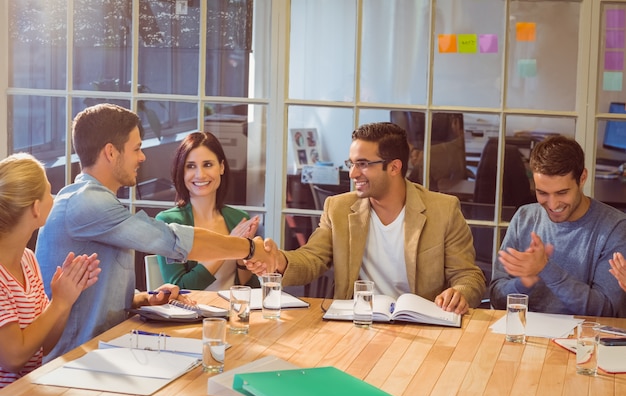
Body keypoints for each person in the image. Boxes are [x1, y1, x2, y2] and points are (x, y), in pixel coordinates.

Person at [35, 104, 275, 361]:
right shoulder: (86, 203)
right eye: (136, 148)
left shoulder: (95, 201)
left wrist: (142, 299)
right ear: (111, 152)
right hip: (75, 360)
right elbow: (173, 240)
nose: (142, 157)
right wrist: (249, 248)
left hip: (106, 351)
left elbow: (97, 296)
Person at [248, 122, 486, 314]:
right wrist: (279, 260)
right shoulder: (338, 208)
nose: (352, 173)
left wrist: (460, 292)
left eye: (362, 164)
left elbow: (468, 275)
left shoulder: (443, 210)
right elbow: (312, 258)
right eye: (351, 164)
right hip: (357, 321)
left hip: (421, 323)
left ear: (394, 167)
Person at [490, 135, 626, 317]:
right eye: (542, 193)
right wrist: (523, 283)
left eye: (562, 192)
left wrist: (546, 269)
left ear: (582, 178)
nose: (553, 205)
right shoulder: (524, 217)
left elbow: (606, 311)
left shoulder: (614, 227)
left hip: (582, 340)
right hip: (525, 334)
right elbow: (496, 299)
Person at [0, 153, 100, 388]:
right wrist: (59, 303)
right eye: (48, 192)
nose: (53, 198)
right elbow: (14, 358)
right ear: (35, 207)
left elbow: (45, 344)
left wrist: (65, 298)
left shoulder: (28, 259)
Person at [155, 132, 259, 290]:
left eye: (208, 165)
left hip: (233, 311)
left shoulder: (239, 218)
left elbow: (249, 287)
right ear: (181, 172)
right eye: (190, 166)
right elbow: (180, 287)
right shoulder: (168, 222)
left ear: (221, 167)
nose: (200, 174)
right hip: (192, 312)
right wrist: (230, 245)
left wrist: (245, 256)